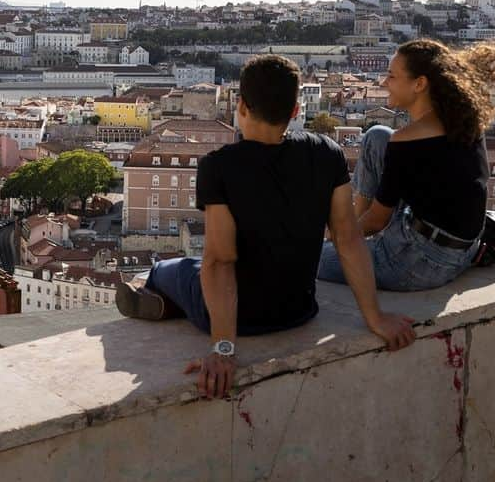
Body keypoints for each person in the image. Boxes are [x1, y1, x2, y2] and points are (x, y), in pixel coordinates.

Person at [115, 55, 416, 400]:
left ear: (241, 105)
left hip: (241, 319)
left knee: (169, 269)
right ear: (294, 110)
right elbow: (347, 239)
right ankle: (171, 303)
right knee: (202, 268)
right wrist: (375, 317)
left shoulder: (219, 167)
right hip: (298, 310)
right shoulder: (328, 153)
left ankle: (162, 298)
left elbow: (221, 260)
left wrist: (224, 349)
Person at [318, 38, 495, 291]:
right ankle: (355, 232)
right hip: (465, 245)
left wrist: (334, 236)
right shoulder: (465, 121)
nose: (384, 82)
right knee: (377, 136)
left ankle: (351, 239)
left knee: (310, 257)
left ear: (419, 84)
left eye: (392, 76)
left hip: (420, 260)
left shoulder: (408, 141)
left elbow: (378, 221)